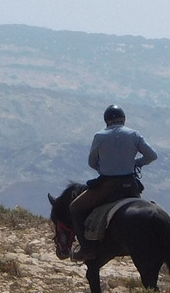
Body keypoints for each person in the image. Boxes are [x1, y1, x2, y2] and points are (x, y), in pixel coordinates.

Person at [68, 105, 158, 262]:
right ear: (123, 119)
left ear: (106, 121)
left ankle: (86, 249)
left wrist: (103, 168)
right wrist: (136, 163)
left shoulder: (99, 136)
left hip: (107, 185)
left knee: (74, 207)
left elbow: (91, 162)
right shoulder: (134, 134)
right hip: (130, 184)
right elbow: (152, 155)